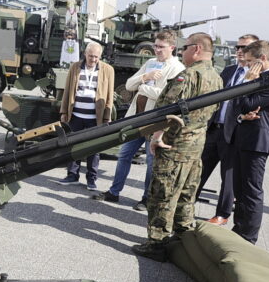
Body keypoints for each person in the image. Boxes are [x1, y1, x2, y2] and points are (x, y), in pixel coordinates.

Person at [131, 32, 223, 261]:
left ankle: (158, 244)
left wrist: (157, 137)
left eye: (185, 48)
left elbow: (167, 109)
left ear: (197, 49)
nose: (182, 52)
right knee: (186, 192)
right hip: (196, 144)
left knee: (162, 193)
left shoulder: (188, 76)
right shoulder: (217, 78)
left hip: (174, 144)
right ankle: (183, 236)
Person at [94, 31, 185, 211]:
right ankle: (114, 192)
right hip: (136, 118)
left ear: (172, 48)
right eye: (155, 46)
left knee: (151, 162)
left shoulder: (177, 68)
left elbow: (169, 98)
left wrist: (143, 88)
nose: (157, 50)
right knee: (124, 155)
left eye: (161, 47)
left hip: (155, 122)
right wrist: (145, 77)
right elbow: (128, 85)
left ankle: (146, 198)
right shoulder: (150, 63)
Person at [227, 40, 269, 244]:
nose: (247, 65)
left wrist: (247, 82)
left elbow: (246, 104)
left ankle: (248, 236)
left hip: (257, 143)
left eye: (250, 61)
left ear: (262, 59)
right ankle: (239, 229)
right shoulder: (263, 78)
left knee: (251, 191)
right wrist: (244, 111)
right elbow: (243, 107)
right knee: (240, 189)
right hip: (245, 138)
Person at [196, 34, 259, 226]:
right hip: (215, 129)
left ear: (255, 52)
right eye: (237, 47)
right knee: (199, 170)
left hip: (235, 132)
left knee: (229, 177)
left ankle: (222, 215)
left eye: (244, 48)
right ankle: (186, 204)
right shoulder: (229, 70)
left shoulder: (258, 76)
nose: (240, 51)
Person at [56, 42, 115, 191]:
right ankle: (72, 175)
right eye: (90, 56)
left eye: (96, 57)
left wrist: (107, 117)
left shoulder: (108, 70)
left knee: (93, 149)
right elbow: (67, 90)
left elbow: (109, 95)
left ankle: (91, 179)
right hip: (75, 115)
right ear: (85, 54)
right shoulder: (75, 67)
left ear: (100, 56)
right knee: (73, 146)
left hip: (95, 118)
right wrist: (63, 112)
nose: (93, 59)